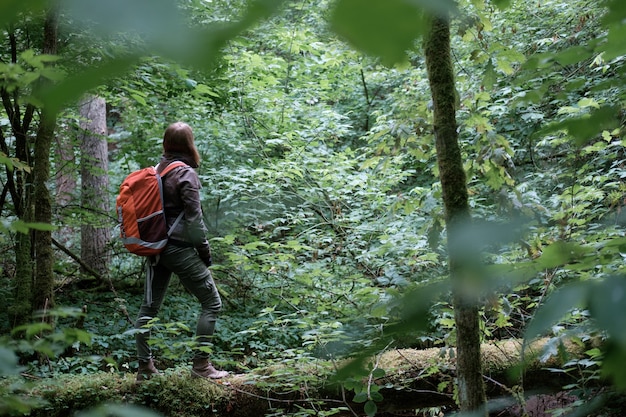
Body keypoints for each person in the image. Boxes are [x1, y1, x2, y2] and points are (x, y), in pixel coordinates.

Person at [135, 121, 228, 382]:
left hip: (155, 248)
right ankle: (201, 366)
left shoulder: (157, 171)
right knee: (211, 302)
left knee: (148, 308)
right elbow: (195, 221)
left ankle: (144, 367)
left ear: (166, 143)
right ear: (190, 143)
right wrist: (205, 252)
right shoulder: (185, 174)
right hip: (178, 248)